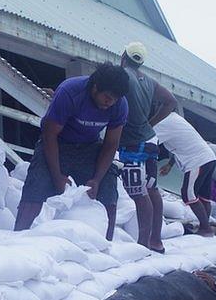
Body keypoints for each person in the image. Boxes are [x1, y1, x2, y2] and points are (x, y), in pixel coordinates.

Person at [14, 64, 130, 239]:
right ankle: (16, 238)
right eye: (107, 97)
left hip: (90, 147)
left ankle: (106, 244)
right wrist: (57, 176)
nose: (110, 103)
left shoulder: (120, 105)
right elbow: (49, 134)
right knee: (35, 189)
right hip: (58, 144)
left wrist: (97, 179)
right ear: (95, 86)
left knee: (109, 192)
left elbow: (110, 145)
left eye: (115, 99)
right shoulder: (70, 92)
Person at [117, 42, 176, 252]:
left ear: (123, 55)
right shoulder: (149, 81)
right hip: (151, 141)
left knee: (138, 193)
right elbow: (170, 101)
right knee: (151, 190)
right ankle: (156, 241)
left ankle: (142, 245)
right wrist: (151, 122)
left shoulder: (122, 74)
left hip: (133, 143)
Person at [155, 112, 216, 236]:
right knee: (204, 196)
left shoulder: (162, 123)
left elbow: (148, 141)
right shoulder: (174, 118)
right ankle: (205, 226)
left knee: (188, 195)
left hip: (197, 161)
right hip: (209, 158)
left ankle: (205, 228)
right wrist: (170, 164)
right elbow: (181, 142)